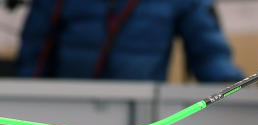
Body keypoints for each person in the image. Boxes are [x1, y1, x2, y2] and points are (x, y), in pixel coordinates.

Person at [15, 0, 243, 81]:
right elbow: (33, 59)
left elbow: (209, 52)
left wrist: (230, 85)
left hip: (142, 118)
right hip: (71, 114)